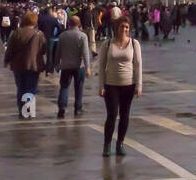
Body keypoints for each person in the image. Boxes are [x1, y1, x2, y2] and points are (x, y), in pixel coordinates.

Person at [98, 15, 142, 157]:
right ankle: (107, 144)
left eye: (126, 27)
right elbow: (101, 65)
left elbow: (138, 65)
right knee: (112, 115)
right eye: (121, 27)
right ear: (116, 28)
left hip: (128, 84)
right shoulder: (107, 44)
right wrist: (101, 85)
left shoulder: (134, 44)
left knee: (125, 116)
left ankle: (120, 143)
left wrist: (139, 85)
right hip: (111, 85)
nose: (124, 29)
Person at [4, 10, 46, 117]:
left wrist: (6, 60)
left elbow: (10, 49)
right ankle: (27, 109)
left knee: (21, 88)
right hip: (33, 65)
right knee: (30, 88)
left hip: (18, 65)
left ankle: (21, 110)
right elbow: (44, 49)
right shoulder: (39, 34)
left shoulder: (16, 33)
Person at [56, 15, 91, 117]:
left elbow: (58, 52)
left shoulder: (62, 36)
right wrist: (88, 67)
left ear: (69, 24)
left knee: (64, 87)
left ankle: (62, 107)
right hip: (79, 66)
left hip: (66, 65)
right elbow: (85, 53)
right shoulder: (82, 36)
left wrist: (57, 64)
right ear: (79, 24)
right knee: (79, 87)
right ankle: (78, 107)